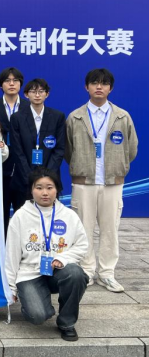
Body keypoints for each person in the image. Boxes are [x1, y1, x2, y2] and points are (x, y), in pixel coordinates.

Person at [65, 68, 138, 292]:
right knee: (83, 228)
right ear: (86, 87)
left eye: (104, 83)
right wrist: (80, 165)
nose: (99, 87)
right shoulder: (75, 117)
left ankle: (106, 273)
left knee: (110, 229)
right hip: (83, 182)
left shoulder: (122, 116)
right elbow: (68, 149)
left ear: (110, 88)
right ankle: (86, 271)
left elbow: (132, 148)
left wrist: (118, 166)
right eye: (94, 83)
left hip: (112, 183)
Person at [5, 167, 89, 341]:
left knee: (76, 274)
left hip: (57, 271)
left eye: (50, 187)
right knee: (37, 315)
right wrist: (10, 287)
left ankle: (67, 323)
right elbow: (11, 255)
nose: (45, 193)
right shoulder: (20, 216)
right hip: (29, 273)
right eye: (39, 188)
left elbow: (82, 245)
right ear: (31, 190)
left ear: (57, 189)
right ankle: (35, 301)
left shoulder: (69, 215)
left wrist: (62, 258)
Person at [10, 79, 66, 215]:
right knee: (24, 218)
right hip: (23, 180)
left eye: (41, 91)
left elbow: (59, 150)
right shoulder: (17, 118)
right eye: (33, 91)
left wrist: (47, 177)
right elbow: (17, 151)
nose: (37, 95)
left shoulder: (57, 117)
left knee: (49, 218)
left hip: (50, 181)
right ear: (26, 94)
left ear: (47, 94)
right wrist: (31, 178)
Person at [0, 68, 30, 231]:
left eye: (15, 80)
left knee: (24, 217)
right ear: (1, 85)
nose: (12, 84)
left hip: (23, 170)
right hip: (0, 170)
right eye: (7, 80)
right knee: (0, 217)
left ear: (21, 84)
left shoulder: (29, 107)